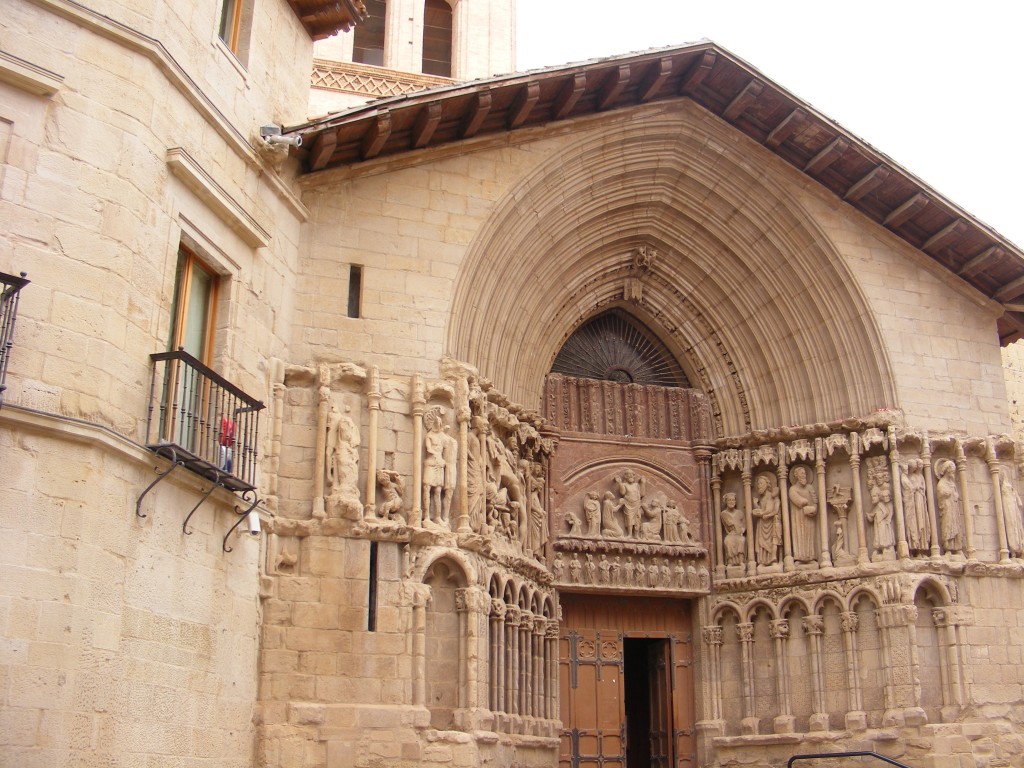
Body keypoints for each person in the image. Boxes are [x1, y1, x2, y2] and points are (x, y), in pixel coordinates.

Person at [788, 465, 817, 563]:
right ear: (796, 476)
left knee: (809, 535)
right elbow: (800, 502)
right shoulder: (792, 489)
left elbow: (815, 501)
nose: (804, 476)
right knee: (799, 535)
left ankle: (810, 557)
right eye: (802, 474)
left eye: (805, 473)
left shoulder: (810, 487)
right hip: (798, 517)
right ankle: (799, 557)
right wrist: (807, 503)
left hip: (809, 516)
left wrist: (814, 508)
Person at [752, 473, 781, 565]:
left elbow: (769, 510)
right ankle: (763, 561)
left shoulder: (770, 496)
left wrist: (760, 513)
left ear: (767, 485)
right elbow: (762, 510)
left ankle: (772, 559)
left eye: (761, 484)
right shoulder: (761, 498)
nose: (759, 486)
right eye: (758, 484)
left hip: (770, 522)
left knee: (772, 540)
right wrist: (756, 505)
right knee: (762, 542)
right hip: (762, 523)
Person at [935, 459, 964, 552]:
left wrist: (953, 494)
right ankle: (947, 547)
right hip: (947, 507)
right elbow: (941, 493)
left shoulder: (952, 483)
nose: (953, 473)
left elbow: (956, 495)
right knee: (947, 525)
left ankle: (957, 547)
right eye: (951, 471)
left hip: (954, 507)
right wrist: (948, 494)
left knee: (956, 525)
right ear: (947, 471)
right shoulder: (942, 483)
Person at [721, 492, 746, 566]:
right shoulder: (724, 514)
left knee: (741, 540)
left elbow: (744, 524)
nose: (731, 502)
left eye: (733, 500)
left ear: (735, 501)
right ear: (726, 502)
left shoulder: (740, 513)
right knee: (727, 541)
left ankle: (741, 561)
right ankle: (730, 562)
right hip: (731, 534)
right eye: (729, 500)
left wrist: (742, 530)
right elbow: (728, 524)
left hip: (739, 534)